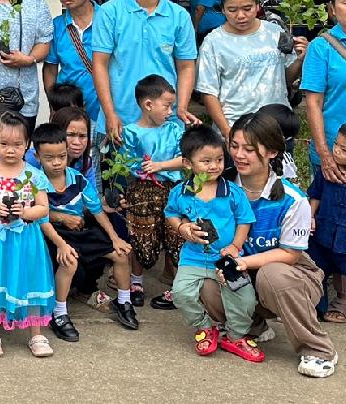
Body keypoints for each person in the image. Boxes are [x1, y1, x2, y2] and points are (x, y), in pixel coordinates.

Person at [219, 113, 338, 377]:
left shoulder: (293, 199)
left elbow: (290, 254)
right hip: (243, 273)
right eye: (234, 146)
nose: (239, 155)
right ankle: (253, 325)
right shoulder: (220, 189)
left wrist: (243, 262)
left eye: (249, 149)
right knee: (202, 278)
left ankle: (318, 349)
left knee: (272, 274)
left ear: (272, 151)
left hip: (291, 276)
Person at [32, 123, 137, 341]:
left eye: (61, 156)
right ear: (37, 156)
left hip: (80, 232)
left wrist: (115, 238)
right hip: (51, 233)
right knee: (69, 261)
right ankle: (59, 313)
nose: (57, 162)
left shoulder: (78, 179)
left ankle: (124, 301)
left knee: (121, 254)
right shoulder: (35, 182)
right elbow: (37, 215)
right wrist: (61, 237)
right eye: (49, 158)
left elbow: (97, 210)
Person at [165, 124, 261, 362]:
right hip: (193, 257)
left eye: (219, 159)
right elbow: (171, 214)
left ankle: (236, 335)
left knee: (245, 298)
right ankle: (205, 327)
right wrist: (182, 228)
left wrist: (235, 246)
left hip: (226, 259)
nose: (214, 166)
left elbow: (245, 220)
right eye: (206, 161)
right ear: (188, 163)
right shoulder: (181, 192)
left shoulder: (232, 192)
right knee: (180, 293)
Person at [0, 110, 55, 358]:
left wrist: (25, 212)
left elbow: (43, 208)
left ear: (27, 144)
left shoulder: (33, 175)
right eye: (4, 143)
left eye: (17, 144)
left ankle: (36, 333)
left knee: (30, 278)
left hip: (27, 239)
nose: (11, 150)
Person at [92, 0, 198, 146]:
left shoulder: (179, 16)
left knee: (167, 167)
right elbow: (99, 64)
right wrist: (110, 113)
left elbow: (186, 66)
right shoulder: (109, 12)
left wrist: (182, 107)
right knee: (116, 167)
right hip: (120, 118)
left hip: (166, 119)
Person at [196, 0, 305, 139]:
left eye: (247, 8)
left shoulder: (275, 32)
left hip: (277, 128)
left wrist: (299, 60)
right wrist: (227, 132)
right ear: (223, 9)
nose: (241, 15)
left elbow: (286, 80)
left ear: (257, 6)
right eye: (232, 10)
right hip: (236, 130)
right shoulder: (213, 43)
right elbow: (208, 93)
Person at [118, 74, 185, 310]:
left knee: (175, 234)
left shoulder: (174, 130)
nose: (170, 111)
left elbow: (186, 159)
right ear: (148, 104)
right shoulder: (131, 132)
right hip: (141, 191)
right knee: (141, 233)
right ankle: (136, 282)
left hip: (172, 190)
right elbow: (125, 163)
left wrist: (160, 166)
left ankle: (178, 287)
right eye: (166, 106)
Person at [44, 0, 105, 140]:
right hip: (69, 106)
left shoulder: (108, 20)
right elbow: (50, 68)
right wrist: (54, 105)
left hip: (104, 104)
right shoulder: (57, 25)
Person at [300, 0, 346, 185]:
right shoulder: (321, 47)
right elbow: (313, 104)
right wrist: (325, 154)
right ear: (332, 9)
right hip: (336, 154)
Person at [307, 122, 346, 322]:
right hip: (323, 229)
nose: (337, 151)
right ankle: (315, 304)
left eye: (344, 150)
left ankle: (343, 302)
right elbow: (316, 195)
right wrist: (310, 217)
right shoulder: (327, 170)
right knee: (317, 266)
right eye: (336, 145)